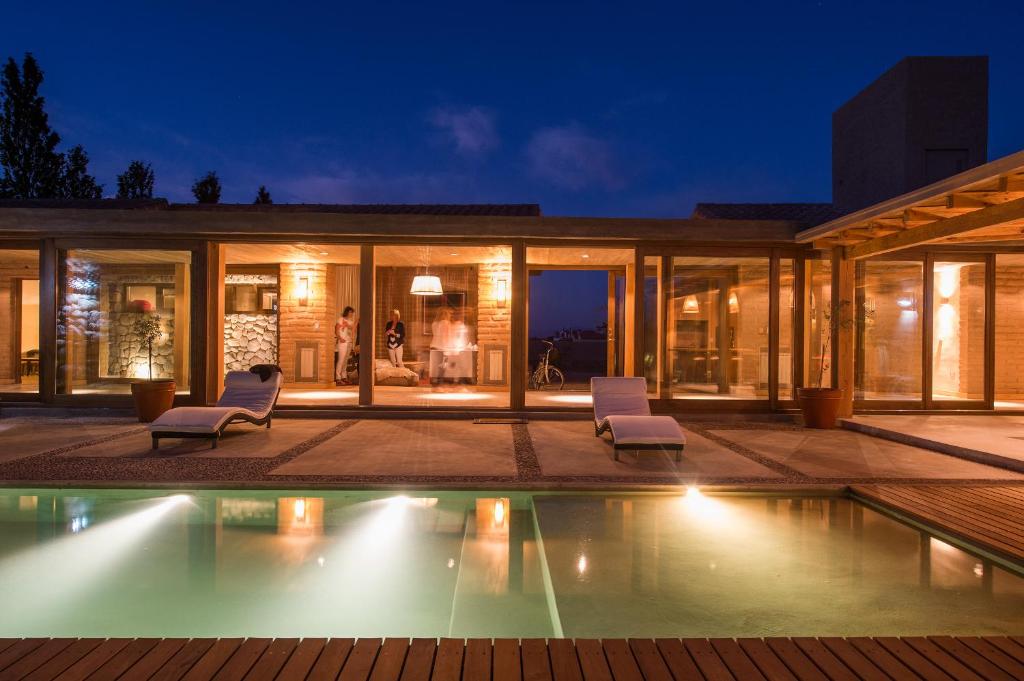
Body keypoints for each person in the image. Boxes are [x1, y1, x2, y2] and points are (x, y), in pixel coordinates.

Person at [429, 307, 452, 387]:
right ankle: (440, 383)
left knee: (435, 366)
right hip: (442, 347)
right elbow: (446, 336)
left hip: (433, 346)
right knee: (443, 366)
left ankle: (434, 382)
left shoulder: (434, 323)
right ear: (446, 315)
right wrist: (449, 347)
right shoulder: (446, 323)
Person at [335, 306, 356, 385]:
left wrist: (351, 323)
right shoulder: (340, 319)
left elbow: (353, 329)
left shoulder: (350, 321)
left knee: (345, 361)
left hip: (349, 342)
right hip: (342, 342)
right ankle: (338, 378)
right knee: (341, 360)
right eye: (350, 312)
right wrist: (340, 338)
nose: (351, 314)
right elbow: (337, 329)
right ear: (347, 312)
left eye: (352, 313)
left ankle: (344, 377)